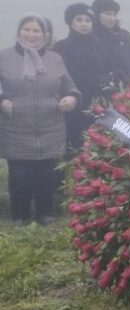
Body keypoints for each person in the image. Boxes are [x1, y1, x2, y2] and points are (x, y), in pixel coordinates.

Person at [0, 15, 80, 225]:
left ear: (45, 35)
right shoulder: (4, 57)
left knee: (47, 174)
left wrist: (71, 98)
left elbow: (70, 87)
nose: (31, 34)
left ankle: (45, 213)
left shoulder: (55, 58)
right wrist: (2, 101)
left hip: (51, 126)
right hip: (16, 126)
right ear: (19, 31)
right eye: (27, 29)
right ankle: (20, 215)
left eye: (37, 31)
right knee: (19, 175)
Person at [53, 3, 114, 152]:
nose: (84, 24)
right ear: (70, 22)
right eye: (79, 20)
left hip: (101, 107)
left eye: (88, 20)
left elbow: (113, 70)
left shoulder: (103, 46)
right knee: (76, 148)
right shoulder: (61, 47)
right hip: (74, 108)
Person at [91, 0, 130, 81]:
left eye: (114, 14)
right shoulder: (93, 39)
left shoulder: (125, 35)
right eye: (108, 14)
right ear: (96, 16)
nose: (112, 18)